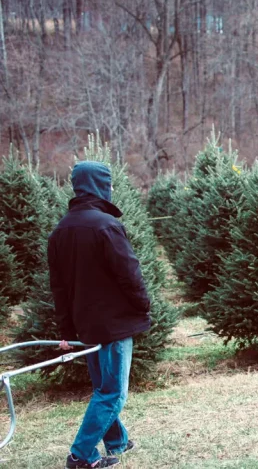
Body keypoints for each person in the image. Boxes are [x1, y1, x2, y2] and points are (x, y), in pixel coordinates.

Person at [48, 161, 151, 469]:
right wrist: (142, 305)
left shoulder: (60, 231)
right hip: (114, 325)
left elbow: (59, 288)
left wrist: (66, 328)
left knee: (102, 388)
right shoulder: (106, 226)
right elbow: (129, 273)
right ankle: (81, 455)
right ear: (100, 186)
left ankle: (117, 441)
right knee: (113, 393)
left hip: (86, 325)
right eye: (109, 184)